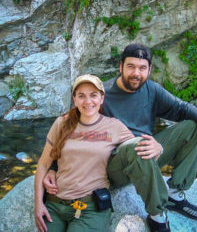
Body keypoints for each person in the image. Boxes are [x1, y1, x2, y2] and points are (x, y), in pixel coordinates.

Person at [44, 43, 197, 232]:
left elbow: (183, 109)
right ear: (121, 67)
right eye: (131, 66)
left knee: (193, 127)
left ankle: (175, 194)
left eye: (142, 68)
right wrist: (53, 167)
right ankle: (157, 215)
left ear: (149, 70)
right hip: (112, 167)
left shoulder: (152, 90)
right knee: (138, 145)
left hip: (147, 157)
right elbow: (70, 130)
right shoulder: (101, 96)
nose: (136, 73)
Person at [34, 74, 134, 232]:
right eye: (81, 96)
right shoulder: (62, 123)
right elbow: (43, 164)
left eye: (93, 95)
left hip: (91, 208)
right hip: (54, 204)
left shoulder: (114, 126)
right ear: (74, 99)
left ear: (102, 98)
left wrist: (157, 147)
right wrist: (38, 204)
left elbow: (137, 152)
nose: (88, 101)